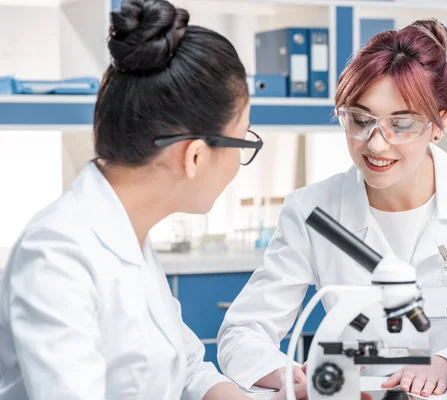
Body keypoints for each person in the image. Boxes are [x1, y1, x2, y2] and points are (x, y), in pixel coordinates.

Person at [217, 19, 447, 398]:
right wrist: (294, 379)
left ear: (440, 124)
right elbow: (243, 331)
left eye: (401, 124)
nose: (376, 145)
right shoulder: (313, 209)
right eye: (360, 120)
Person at [0, 0, 303, 399]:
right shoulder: (57, 257)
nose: (238, 163)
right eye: (242, 140)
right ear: (194, 156)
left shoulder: (130, 236)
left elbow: (189, 369)